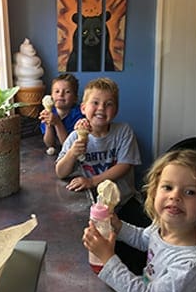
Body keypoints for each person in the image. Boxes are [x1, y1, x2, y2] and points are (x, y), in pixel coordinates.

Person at [82, 149, 196, 292]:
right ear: (154, 191)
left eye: (190, 192)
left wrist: (108, 259)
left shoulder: (190, 264)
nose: (175, 196)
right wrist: (118, 226)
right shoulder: (161, 226)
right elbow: (143, 239)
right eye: (168, 187)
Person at [56, 77, 146, 272]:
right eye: (95, 103)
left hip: (124, 201)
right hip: (93, 208)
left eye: (108, 104)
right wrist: (72, 152)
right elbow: (60, 171)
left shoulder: (123, 132)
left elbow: (125, 165)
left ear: (116, 110)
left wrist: (91, 181)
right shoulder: (74, 137)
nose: (101, 108)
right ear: (83, 108)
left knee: (137, 248)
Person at [39, 73, 83, 153]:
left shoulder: (78, 115)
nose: (61, 94)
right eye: (57, 91)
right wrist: (48, 124)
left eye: (67, 92)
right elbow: (49, 144)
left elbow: (69, 145)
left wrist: (57, 123)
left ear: (75, 98)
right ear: (51, 95)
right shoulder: (49, 112)